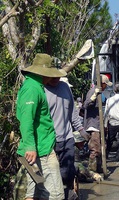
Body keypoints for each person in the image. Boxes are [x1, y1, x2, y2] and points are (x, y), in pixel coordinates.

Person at [16, 53, 65, 199]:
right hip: (39, 150)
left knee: (36, 192)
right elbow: (26, 120)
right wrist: (30, 146)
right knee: (55, 195)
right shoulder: (32, 89)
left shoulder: (36, 86)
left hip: (42, 147)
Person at [45, 76, 89, 199]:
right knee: (51, 173)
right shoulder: (42, 90)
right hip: (50, 139)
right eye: (52, 77)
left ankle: (69, 192)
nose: (55, 79)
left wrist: (81, 130)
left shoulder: (65, 87)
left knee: (67, 171)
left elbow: (73, 112)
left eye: (57, 77)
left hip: (67, 137)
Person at [83, 75, 113, 172]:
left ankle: (99, 167)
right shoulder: (93, 92)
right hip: (93, 126)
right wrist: (94, 96)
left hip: (98, 124)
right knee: (95, 149)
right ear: (102, 84)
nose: (106, 87)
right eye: (105, 85)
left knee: (102, 147)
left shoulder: (100, 93)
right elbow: (85, 105)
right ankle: (92, 170)